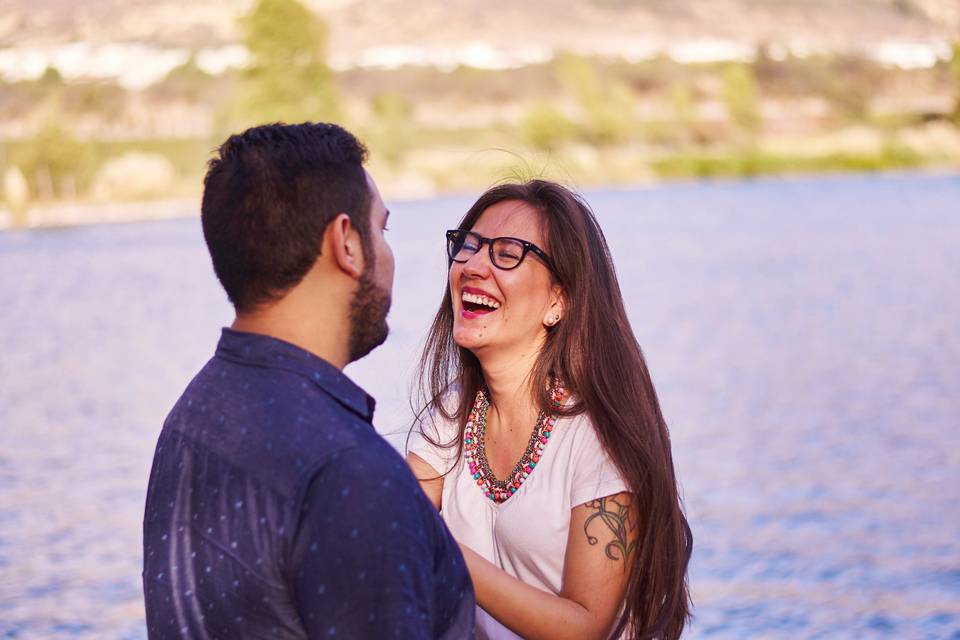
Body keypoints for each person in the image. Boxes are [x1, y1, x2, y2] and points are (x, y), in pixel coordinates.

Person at [142, 122, 475, 639]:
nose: (387, 254)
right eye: (381, 230)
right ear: (346, 241)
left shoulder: (194, 414)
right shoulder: (349, 471)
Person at [406, 180, 692, 640]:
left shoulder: (596, 436)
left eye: (507, 253)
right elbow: (397, 531)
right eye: (469, 246)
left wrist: (441, 550)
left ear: (558, 301)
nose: (473, 265)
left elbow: (582, 627)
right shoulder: (452, 413)